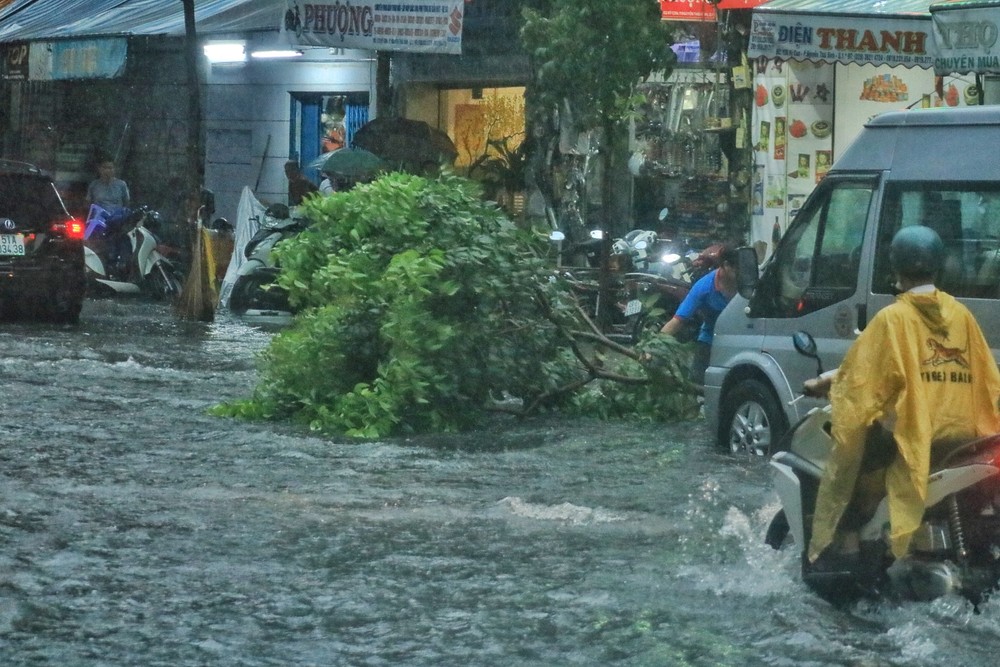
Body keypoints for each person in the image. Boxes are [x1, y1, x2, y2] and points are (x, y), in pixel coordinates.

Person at [805, 225, 1000, 569]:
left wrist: (823, 383)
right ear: (939, 265)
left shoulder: (893, 319)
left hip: (918, 439)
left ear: (895, 266)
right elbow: (988, 378)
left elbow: (861, 379)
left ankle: (849, 554)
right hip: (969, 438)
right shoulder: (961, 315)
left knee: (854, 470)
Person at [659, 245, 739, 385]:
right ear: (726, 265)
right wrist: (654, 345)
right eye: (737, 267)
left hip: (744, 339)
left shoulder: (749, 281)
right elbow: (677, 321)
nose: (742, 271)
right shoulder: (704, 287)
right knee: (698, 382)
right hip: (711, 340)